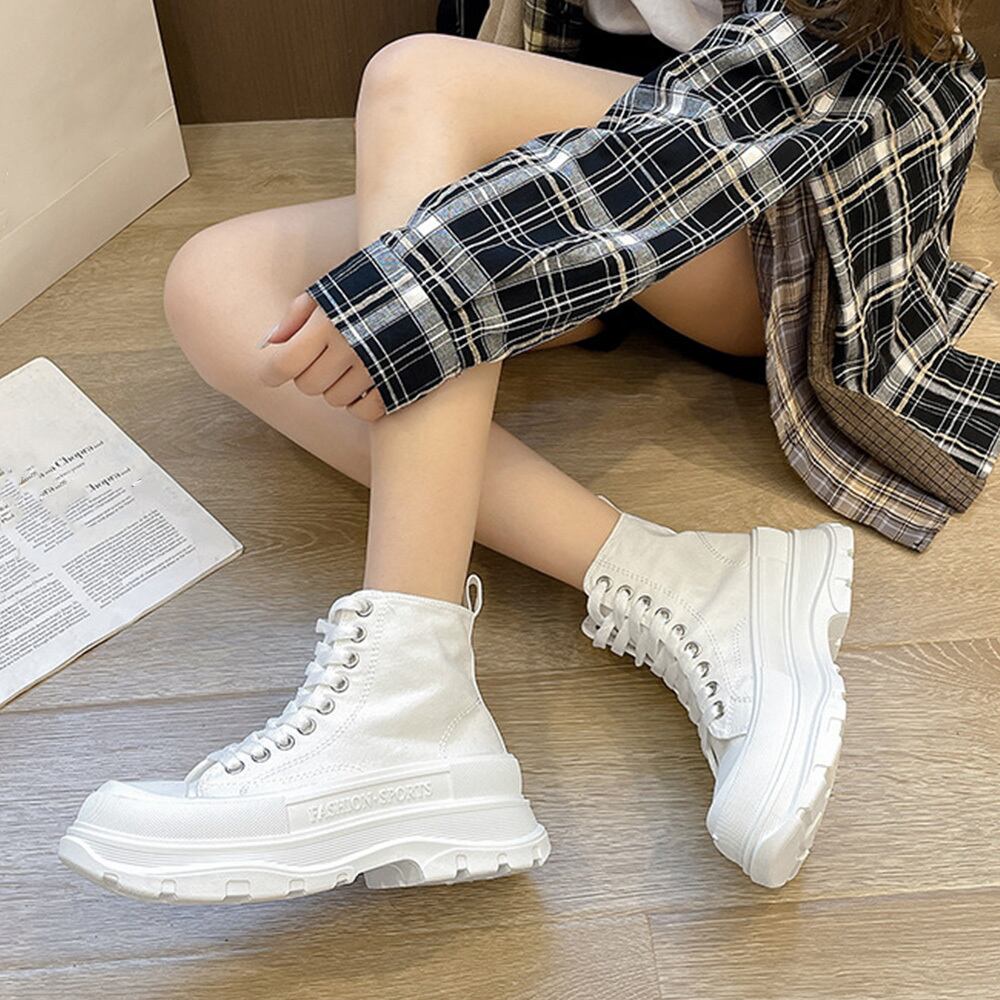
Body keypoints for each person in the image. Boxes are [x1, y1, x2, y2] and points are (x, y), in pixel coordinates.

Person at [60, 0, 994, 901]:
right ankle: (680, 583)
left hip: (790, 211)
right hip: (601, 155)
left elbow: (764, 101)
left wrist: (434, 275)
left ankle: (404, 691)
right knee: (216, 283)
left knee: (421, 81)